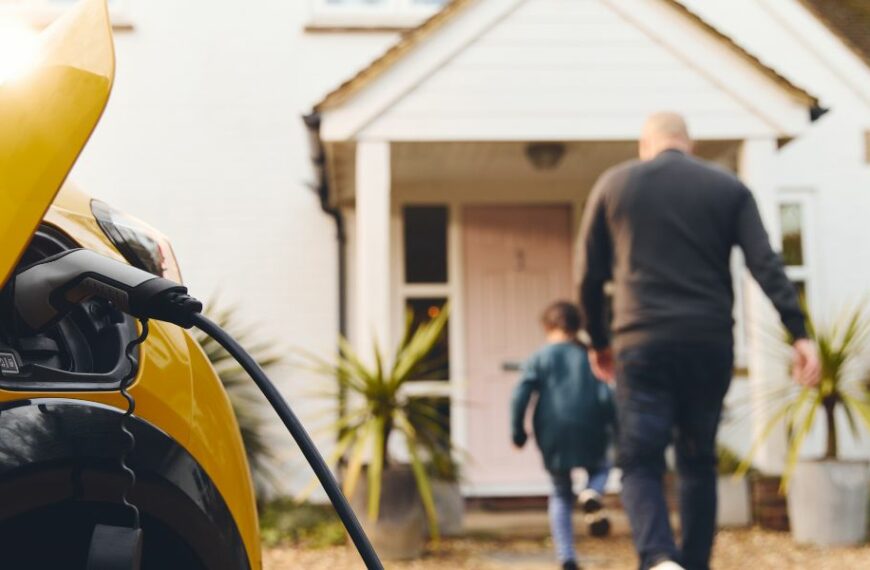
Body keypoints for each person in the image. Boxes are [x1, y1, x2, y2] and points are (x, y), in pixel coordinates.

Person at [576, 112, 821, 570]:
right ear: (689, 143)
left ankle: (659, 557)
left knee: (640, 458)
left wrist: (598, 340)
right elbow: (765, 263)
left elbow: (588, 275)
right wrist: (799, 332)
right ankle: (692, 564)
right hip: (708, 342)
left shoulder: (616, 184)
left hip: (641, 342)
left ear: (644, 145)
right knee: (697, 460)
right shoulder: (727, 188)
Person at [511, 301, 617, 570]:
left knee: (560, 492)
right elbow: (606, 394)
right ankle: (592, 491)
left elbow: (520, 395)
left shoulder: (540, 357)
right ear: (577, 326)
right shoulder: (589, 355)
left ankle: (567, 557)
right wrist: (615, 426)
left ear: (547, 326)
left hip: (552, 430)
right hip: (591, 426)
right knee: (602, 466)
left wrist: (518, 431)